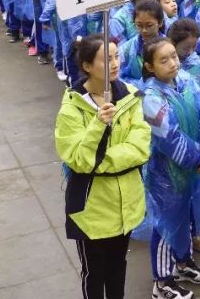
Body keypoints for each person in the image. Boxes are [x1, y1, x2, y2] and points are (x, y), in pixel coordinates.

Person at [54, 36, 150, 299]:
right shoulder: (72, 107)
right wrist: (98, 125)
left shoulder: (130, 97)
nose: (115, 63)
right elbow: (78, 159)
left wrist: (103, 161)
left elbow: (141, 147)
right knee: (93, 274)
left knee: (118, 268)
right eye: (106, 59)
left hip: (125, 203)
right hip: (91, 208)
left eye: (117, 56)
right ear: (86, 65)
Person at [140, 37, 200, 299]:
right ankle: (162, 282)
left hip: (189, 167)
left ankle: (182, 263)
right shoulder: (150, 97)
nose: (172, 63)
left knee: (184, 217)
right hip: (165, 172)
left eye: (174, 56)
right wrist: (198, 159)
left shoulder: (183, 81)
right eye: (164, 60)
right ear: (149, 66)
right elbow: (169, 138)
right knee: (166, 223)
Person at [118, 0, 166, 87]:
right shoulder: (126, 50)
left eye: (149, 25)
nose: (144, 30)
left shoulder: (169, 47)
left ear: (160, 23)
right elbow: (117, 77)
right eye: (139, 25)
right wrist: (138, 85)